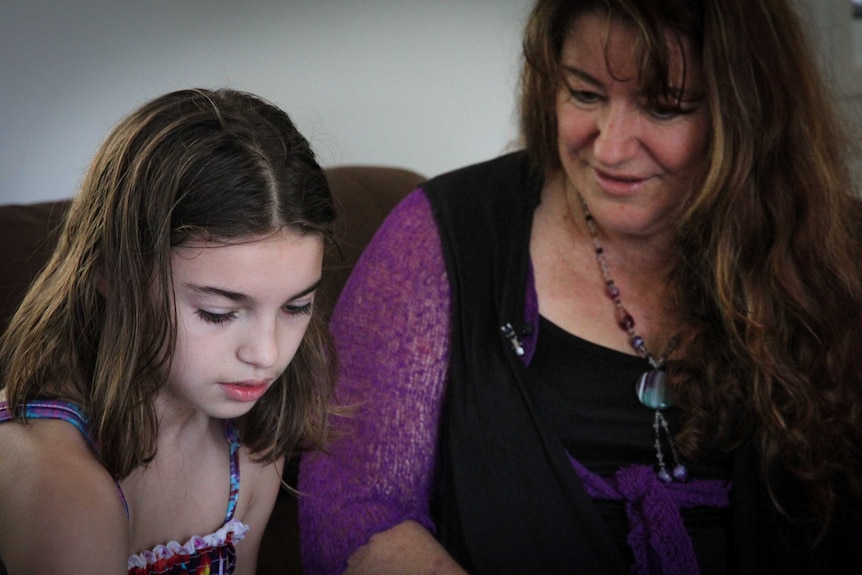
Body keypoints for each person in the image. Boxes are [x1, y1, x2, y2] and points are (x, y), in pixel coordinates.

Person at [298, 0, 862, 573]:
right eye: (586, 95)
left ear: (749, 114)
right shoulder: (443, 235)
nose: (610, 148)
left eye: (665, 107)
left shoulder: (838, 253)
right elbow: (354, 511)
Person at [0, 88, 337, 574]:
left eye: (296, 306)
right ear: (111, 274)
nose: (267, 354)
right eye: (219, 313)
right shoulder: (54, 478)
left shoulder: (251, 447)